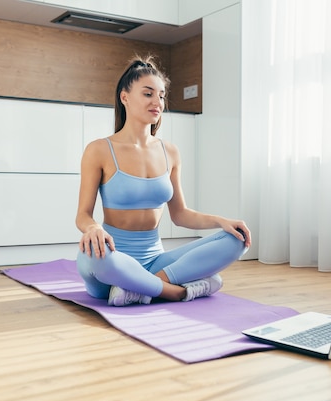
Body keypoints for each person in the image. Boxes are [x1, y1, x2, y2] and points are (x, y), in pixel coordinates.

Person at [75, 55, 250, 307]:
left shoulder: (170, 152)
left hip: (156, 260)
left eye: (161, 95)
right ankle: (176, 291)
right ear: (125, 97)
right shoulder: (99, 150)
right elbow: (83, 215)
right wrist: (93, 229)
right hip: (113, 258)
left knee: (237, 238)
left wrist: (221, 221)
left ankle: (144, 286)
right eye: (148, 94)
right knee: (93, 257)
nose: (157, 101)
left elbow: (180, 215)